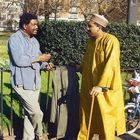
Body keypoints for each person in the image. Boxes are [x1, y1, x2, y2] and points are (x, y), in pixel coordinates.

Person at [77, 14, 126, 140]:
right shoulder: (90, 41)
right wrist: (76, 68)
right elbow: (87, 61)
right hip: (89, 88)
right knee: (87, 119)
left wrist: (100, 85)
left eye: (90, 26)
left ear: (99, 27)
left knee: (106, 121)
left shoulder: (111, 40)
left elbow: (112, 64)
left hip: (104, 90)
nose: (87, 29)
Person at [8, 13, 52, 140]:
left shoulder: (35, 41)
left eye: (36, 24)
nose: (36, 27)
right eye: (33, 24)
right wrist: (39, 58)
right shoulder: (15, 39)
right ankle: (40, 135)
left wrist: (45, 65)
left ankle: (28, 138)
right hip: (21, 83)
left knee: (29, 115)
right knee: (37, 113)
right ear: (24, 25)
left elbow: (38, 60)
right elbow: (19, 60)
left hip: (35, 83)